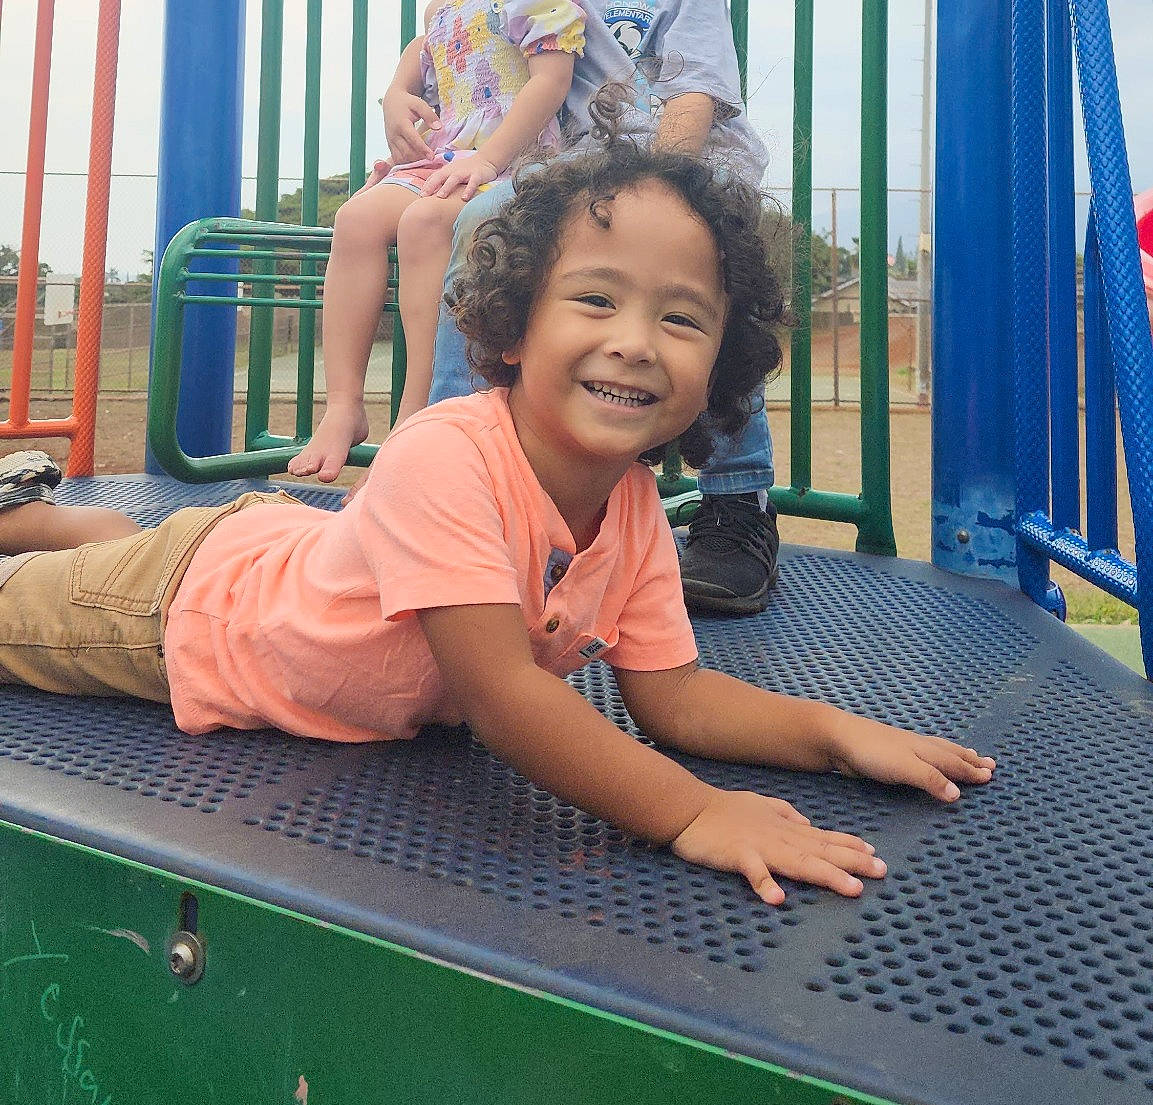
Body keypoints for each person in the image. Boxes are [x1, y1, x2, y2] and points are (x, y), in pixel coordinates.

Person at [0, 147, 995, 907]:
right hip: (185, 615)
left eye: (682, 319)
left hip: (272, 546)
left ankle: (37, 515)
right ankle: (41, 530)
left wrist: (833, 734)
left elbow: (676, 699)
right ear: (515, 327)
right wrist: (693, 810)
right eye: (595, 299)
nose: (634, 341)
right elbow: (502, 696)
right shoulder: (444, 457)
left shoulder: (632, 509)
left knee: (135, 538)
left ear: (719, 366)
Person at [422, 0, 780, 616]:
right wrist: (411, 108)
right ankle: (455, 464)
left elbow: (696, 91)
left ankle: (737, 502)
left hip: (671, 173)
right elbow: (469, 57)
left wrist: (663, 195)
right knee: (473, 223)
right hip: (561, 187)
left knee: (710, 291)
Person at [287, 0, 586, 479]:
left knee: (425, 224)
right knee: (356, 219)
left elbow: (551, 80)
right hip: (445, 160)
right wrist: (394, 97)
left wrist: (490, 159)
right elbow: (418, 64)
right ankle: (343, 404)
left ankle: (416, 413)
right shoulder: (446, 0)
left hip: (512, 164)